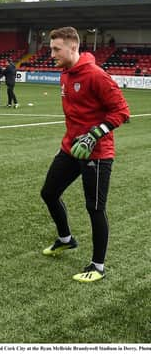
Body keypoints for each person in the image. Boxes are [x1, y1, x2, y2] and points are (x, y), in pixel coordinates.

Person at [40, 26, 130, 283]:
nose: (52, 54)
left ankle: (98, 266)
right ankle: (66, 239)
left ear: (73, 47)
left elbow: (122, 111)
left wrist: (94, 134)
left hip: (97, 152)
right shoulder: (65, 74)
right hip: (71, 148)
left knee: (95, 208)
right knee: (49, 193)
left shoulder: (96, 75)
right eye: (51, 49)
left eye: (56, 49)